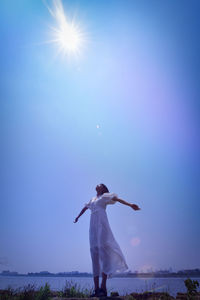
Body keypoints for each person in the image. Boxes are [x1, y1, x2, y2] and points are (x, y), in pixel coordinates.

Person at [74, 184, 141, 297]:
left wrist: (130, 205)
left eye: (100, 184)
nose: (97, 184)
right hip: (93, 227)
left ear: (103, 188)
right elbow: (85, 207)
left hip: (102, 224)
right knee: (94, 254)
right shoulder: (92, 199)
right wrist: (78, 217)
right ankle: (96, 289)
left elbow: (117, 199)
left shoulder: (104, 196)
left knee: (104, 252)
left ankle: (103, 286)